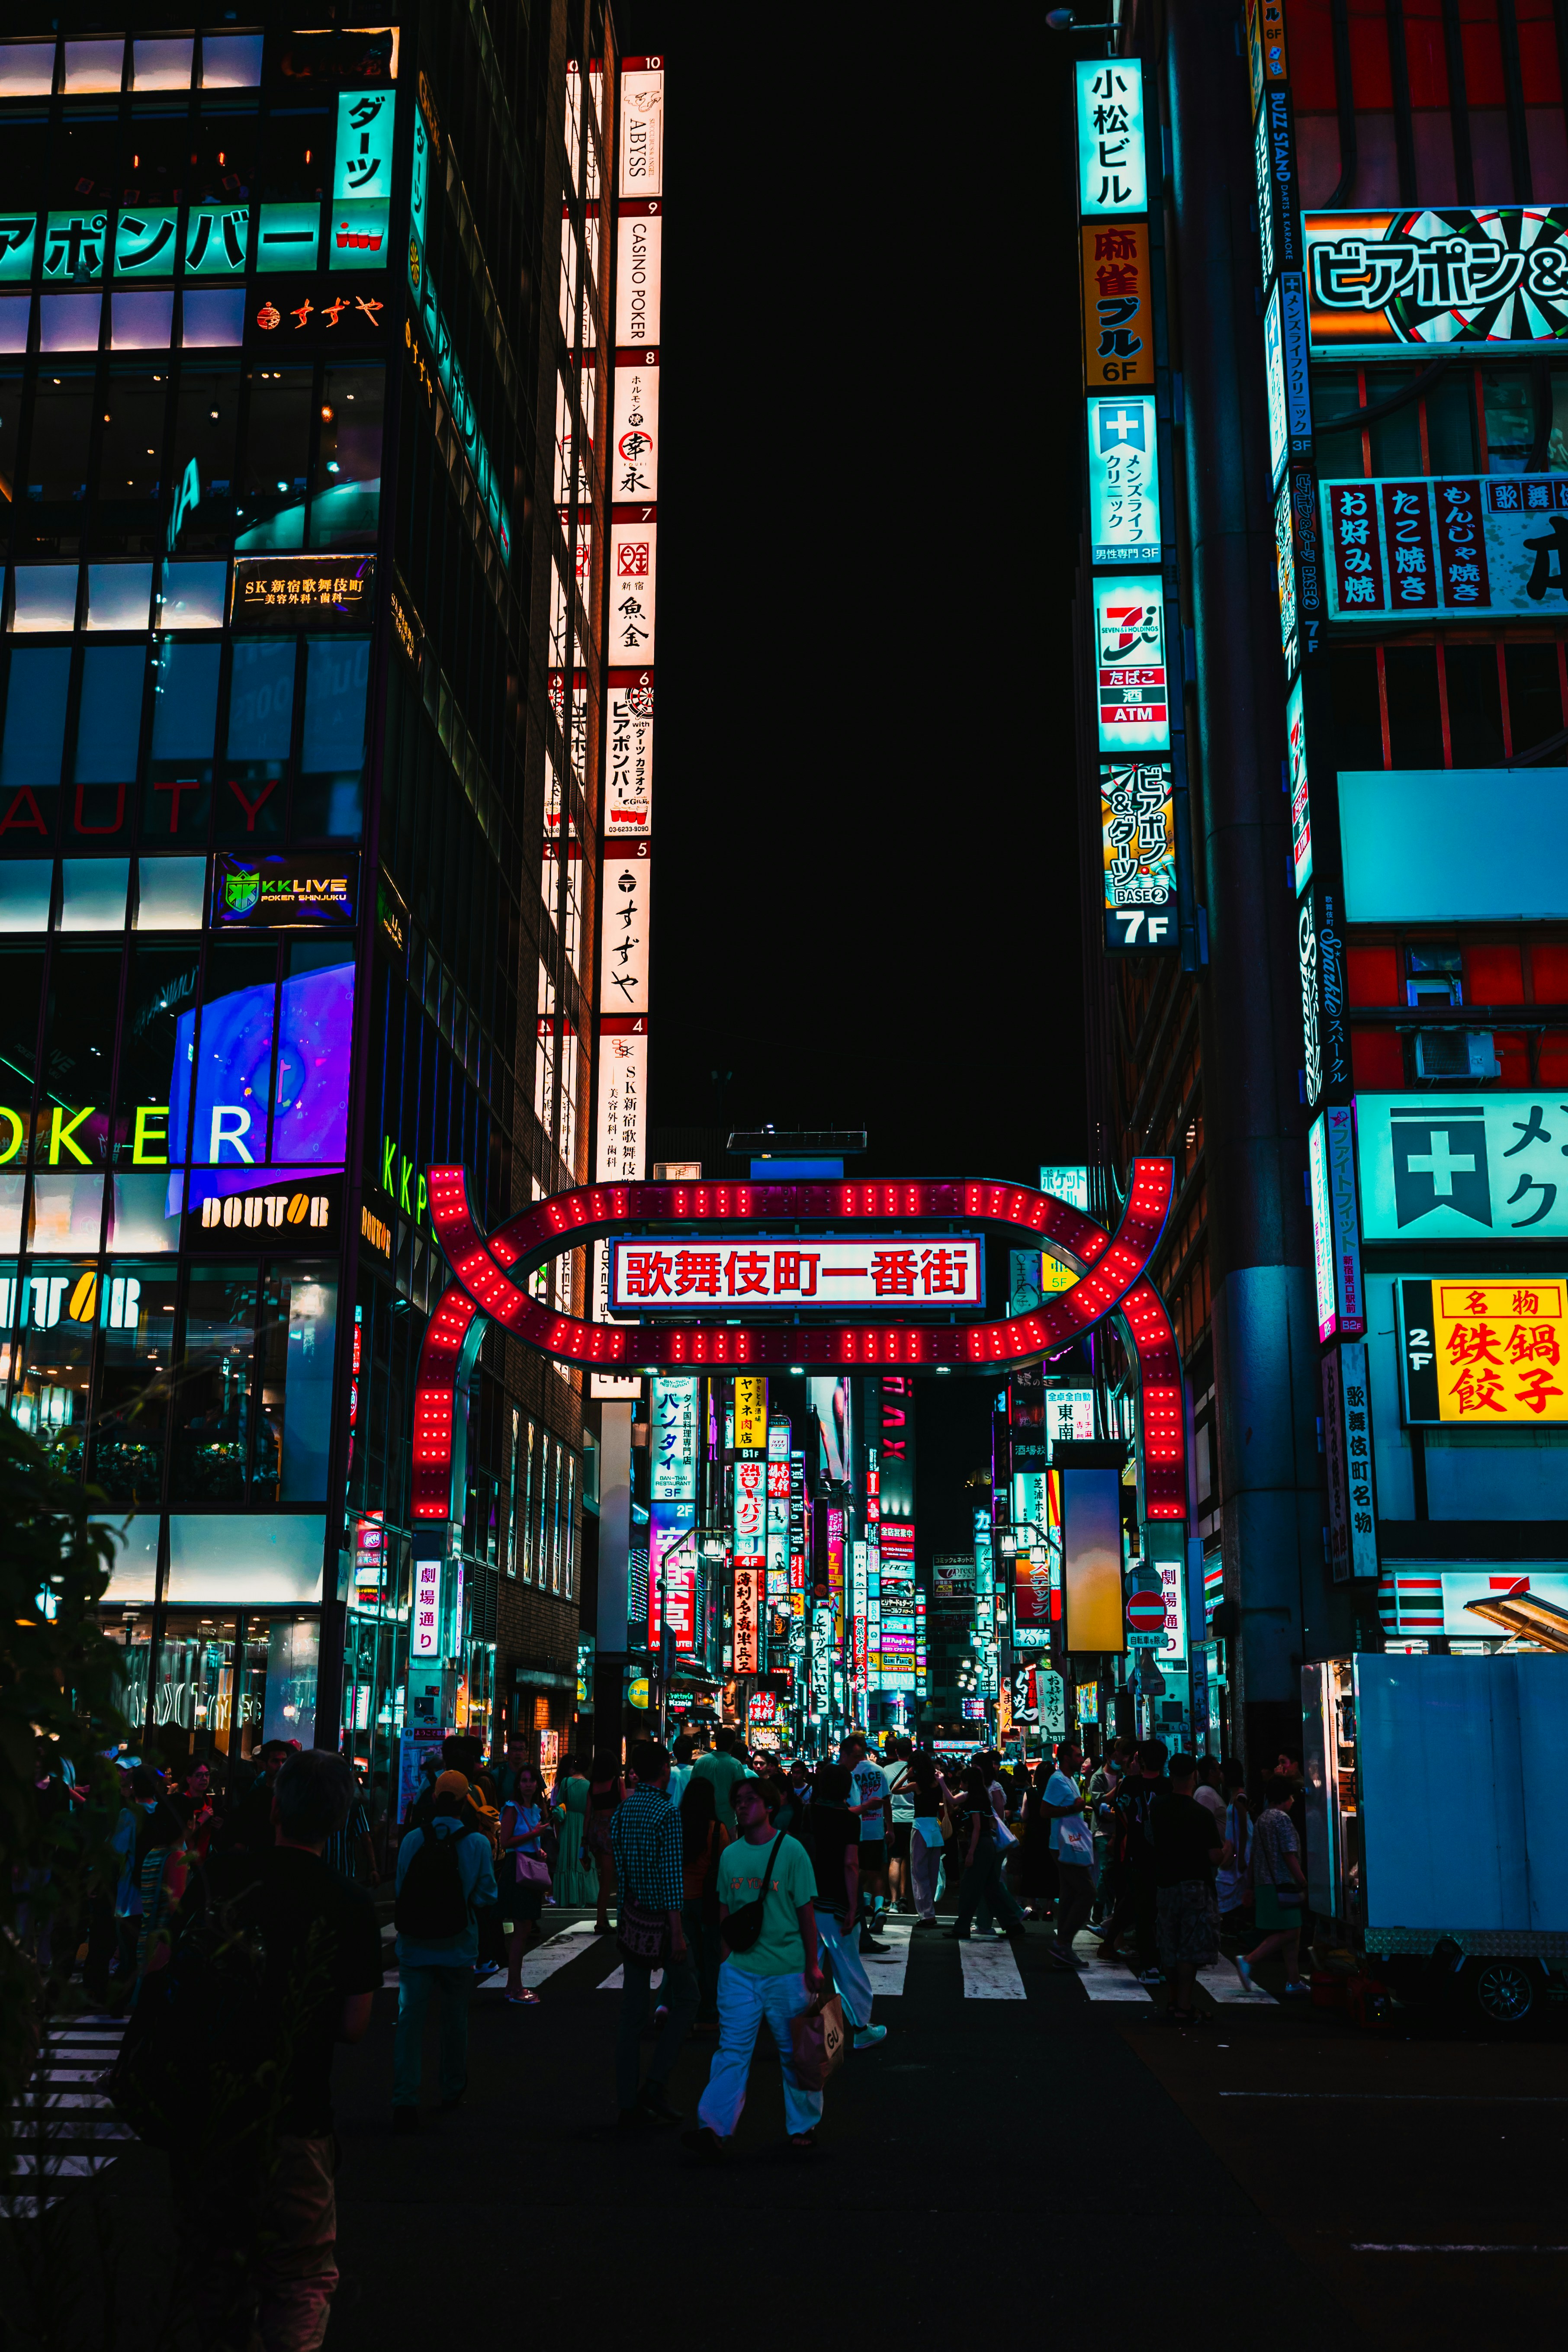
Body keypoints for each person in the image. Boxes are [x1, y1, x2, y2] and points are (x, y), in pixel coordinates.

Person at [167, 1748, 380, 2352]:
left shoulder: (224, 1879)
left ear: (275, 1809)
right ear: (338, 1820)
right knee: (300, 2276)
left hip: (211, 2112)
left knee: (215, 2270)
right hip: (297, 2113)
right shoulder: (348, 1904)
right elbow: (355, 2024)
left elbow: (171, 1974)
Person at [684, 1776, 825, 2157]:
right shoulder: (730, 1855)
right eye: (738, 1800)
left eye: (750, 1799)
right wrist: (727, 1958)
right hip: (741, 1972)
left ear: (770, 1806)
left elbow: (806, 1913)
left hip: (787, 1970)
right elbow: (725, 1911)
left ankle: (804, 2124)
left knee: (795, 2052)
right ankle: (714, 2126)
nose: (742, 1806)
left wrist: (812, 1965)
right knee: (731, 2051)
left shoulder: (792, 1851)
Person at [391, 1770, 499, 2129]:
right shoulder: (477, 1843)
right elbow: (486, 1896)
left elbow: (401, 1889)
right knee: (455, 2021)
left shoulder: (412, 1840)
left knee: (410, 2022)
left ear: (435, 1798)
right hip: (458, 1944)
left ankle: (405, 2097)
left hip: (415, 1944)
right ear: (466, 1801)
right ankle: (451, 2088)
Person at [610, 1739, 697, 2126]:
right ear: (664, 1770)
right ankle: (656, 2082)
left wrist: (622, 1919)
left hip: (633, 1918)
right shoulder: (667, 1812)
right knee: (689, 1998)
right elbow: (672, 1878)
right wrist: (677, 1932)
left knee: (632, 2015)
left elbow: (621, 1871)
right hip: (663, 1921)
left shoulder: (623, 1811)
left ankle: (627, 2101)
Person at [807, 1763, 886, 2050]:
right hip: (837, 1901)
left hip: (807, 1898)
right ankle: (861, 2028)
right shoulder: (849, 1821)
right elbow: (851, 1864)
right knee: (848, 1966)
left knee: (809, 1964)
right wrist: (854, 1907)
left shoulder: (808, 1813)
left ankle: (797, 2028)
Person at [1151, 1753, 1226, 2025]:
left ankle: (1173, 2001)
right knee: (1189, 1947)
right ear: (1194, 1776)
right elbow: (1215, 1856)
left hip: (1166, 1883)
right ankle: (1184, 2005)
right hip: (1195, 1884)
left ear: (1171, 1775)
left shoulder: (1157, 1807)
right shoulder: (1201, 1814)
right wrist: (1228, 1849)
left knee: (1169, 1942)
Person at [1097, 1740, 1166, 1982]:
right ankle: (1153, 1962)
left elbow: (1121, 1815)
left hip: (1134, 1853)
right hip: (1161, 1856)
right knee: (1146, 1908)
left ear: (1140, 1760)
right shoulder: (1167, 1786)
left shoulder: (1129, 1785)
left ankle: (1144, 1961)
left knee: (1137, 1905)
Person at [1238, 1774, 1309, 1998]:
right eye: (1292, 1797)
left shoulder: (1263, 1819)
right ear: (1285, 1797)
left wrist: (1249, 1886)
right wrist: (1303, 1881)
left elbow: (1254, 1855)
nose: (1294, 1801)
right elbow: (1289, 1854)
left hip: (1265, 1884)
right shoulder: (1281, 1819)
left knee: (1292, 1931)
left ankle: (1294, 1980)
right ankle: (1249, 1960)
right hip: (1282, 1884)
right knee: (1291, 1931)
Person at [679, 1769, 731, 2034]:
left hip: (681, 1900)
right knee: (711, 1956)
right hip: (709, 1901)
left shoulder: (676, 1827)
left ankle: (685, 2007)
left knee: (687, 1958)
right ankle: (710, 2010)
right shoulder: (717, 1830)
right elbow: (725, 1867)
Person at [1042, 1740, 1096, 1969]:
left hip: (1068, 1843)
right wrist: (1072, 1809)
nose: (1081, 1759)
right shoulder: (1057, 1780)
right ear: (1066, 1758)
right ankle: (1063, 1942)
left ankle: (1063, 1951)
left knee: (1069, 1894)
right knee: (1087, 1892)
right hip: (1064, 1845)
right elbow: (1045, 1811)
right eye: (1077, 1756)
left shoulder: (1070, 1779)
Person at [500, 1761, 549, 2005]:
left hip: (529, 1867)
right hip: (517, 1871)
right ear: (518, 1785)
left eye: (532, 1780)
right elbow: (506, 1842)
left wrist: (538, 1850)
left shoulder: (536, 1809)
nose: (528, 1785)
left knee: (525, 1929)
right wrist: (533, 1835)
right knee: (521, 1930)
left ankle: (513, 1986)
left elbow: (529, 1840)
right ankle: (515, 1987)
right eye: (524, 1781)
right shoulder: (512, 1808)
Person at [945, 1764, 1008, 1942]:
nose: (960, 1784)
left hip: (980, 1845)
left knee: (969, 1889)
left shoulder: (975, 1799)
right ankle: (1013, 1923)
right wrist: (941, 1781)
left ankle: (962, 1928)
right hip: (986, 1844)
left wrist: (971, 1853)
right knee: (991, 1889)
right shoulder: (979, 1795)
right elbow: (952, 1799)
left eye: (962, 1781)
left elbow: (978, 1828)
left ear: (968, 1782)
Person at [842, 1733, 891, 1952]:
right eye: (855, 1756)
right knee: (874, 1873)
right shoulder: (873, 1772)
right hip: (865, 1831)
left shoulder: (850, 1774)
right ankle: (875, 1909)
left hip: (857, 1833)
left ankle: (862, 1930)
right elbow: (840, 1811)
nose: (858, 1761)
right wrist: (888, 1826)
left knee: (858, 1876)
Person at [549, 1755, 595, 1908]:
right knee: (581, 1859)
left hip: (567, 1825)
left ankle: (567, 1895)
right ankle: (583, 1895)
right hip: (582, 1824)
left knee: (567, 1860)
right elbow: (590, 1811)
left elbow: (559, 1806)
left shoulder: (565, 1782)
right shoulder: (589, 1786)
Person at [585, 1750, 623, 1934]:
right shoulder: (618, 1782)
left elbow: (588, 1813)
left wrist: (584, 1839)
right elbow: (624, 1807)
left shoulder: (593, 1785)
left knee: (604, 1877)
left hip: (595, 1830)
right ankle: (600, 1921)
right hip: (611, 1830)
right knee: (608, 1880)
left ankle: (603, 1917)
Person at [907, 1753, 947, 1928]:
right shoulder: (938, 1782)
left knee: (918, 1873)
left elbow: (893, 1790)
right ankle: (930, 1910)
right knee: (932, 1872)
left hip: (920, 1828)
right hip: (935, 1828)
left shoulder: (917, 1785)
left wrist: (907, 1776)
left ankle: (927, 1914)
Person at [1215, 1757, 1252, 1938]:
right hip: (1236, 1849)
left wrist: (1241, 1854)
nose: (1220, 1776)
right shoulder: (1235, 1797)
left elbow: (1244, 1830)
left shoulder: (1239, 1798)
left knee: (1225, 1883)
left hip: (1238, 1850)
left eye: (1222, 1772)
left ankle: (1231, 1925)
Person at [688, 1726, 748, 1831]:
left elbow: (692, 1788)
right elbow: (742, 1792)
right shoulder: (735, 1764)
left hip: (702, 1818)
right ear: (732, 1745)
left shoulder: (701, 1761)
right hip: (727, 1820)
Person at [884, 1737, 916, 1913]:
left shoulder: (886, 1770)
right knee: (909, 1859)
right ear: (912, 1750)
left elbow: (884, 1796)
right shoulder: (916, 1770)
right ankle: (905, 1896)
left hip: (893, 1820)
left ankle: (894, 1901)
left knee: (895, 1859)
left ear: (896, 1752)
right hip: (913, 1820)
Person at [668, 1735, 695, 1809]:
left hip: (671, 1813)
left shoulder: (669, 1773)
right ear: (691, 1754)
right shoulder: (696, 1772)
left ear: (675, 1754)